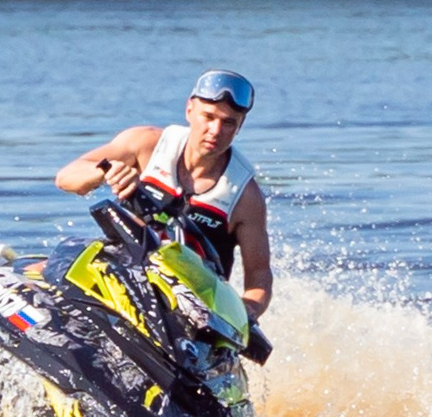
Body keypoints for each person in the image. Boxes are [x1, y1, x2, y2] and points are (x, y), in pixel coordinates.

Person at [54, 70, 272, 321]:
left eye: (228, 122)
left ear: (240, 127)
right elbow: (66, 178)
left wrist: (248, 312)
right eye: (208, 117)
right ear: (189, 110)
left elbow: (259, 277)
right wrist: (104, 172)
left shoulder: (245, 196)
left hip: (190, 308)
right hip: (122, 276)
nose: (215, 130)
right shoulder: (146, 144)